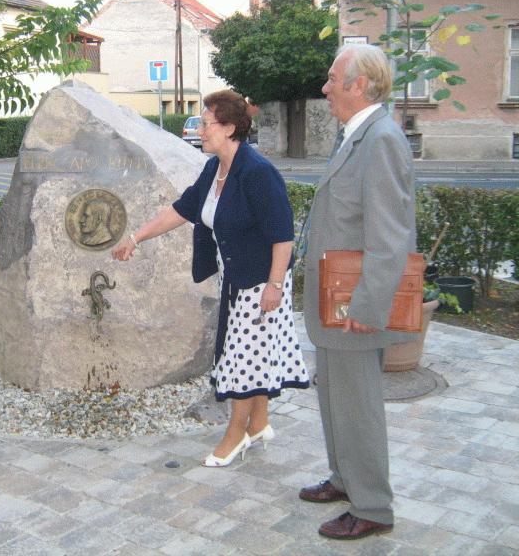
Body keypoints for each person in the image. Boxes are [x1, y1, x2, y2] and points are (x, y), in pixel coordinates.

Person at [112, 89, 309, 467]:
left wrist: (275, 285)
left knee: (239, 361)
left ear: (230, 128)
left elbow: (282, 234)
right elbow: (181, 210)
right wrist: (135, 238)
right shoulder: (215, 169)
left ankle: (235, 435)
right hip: (235, 279)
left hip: (260, 283)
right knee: (255, 355)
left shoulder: (257, 173)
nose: (200, 130)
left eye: (206, 124)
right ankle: (259, 423)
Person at [299, 44, 416, 539]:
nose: (324, 87)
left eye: (331, 79)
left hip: (354, 304)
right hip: (333, 300)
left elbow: (390, 235)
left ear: (358, 85)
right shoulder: (355, 135)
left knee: (358, 404)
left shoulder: (381, 138)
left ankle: (373, 506)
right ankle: (346, 478)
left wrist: (369, 306)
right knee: (335, 398)